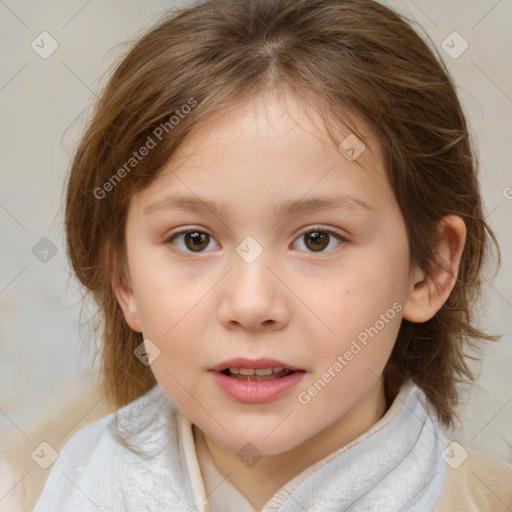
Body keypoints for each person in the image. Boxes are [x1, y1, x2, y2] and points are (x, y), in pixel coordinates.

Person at [33, 0, 512, 510]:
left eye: (317, 239)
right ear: (123, 279)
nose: (251, 304)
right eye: (194, 239)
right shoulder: (66, 485)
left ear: (429, 271)